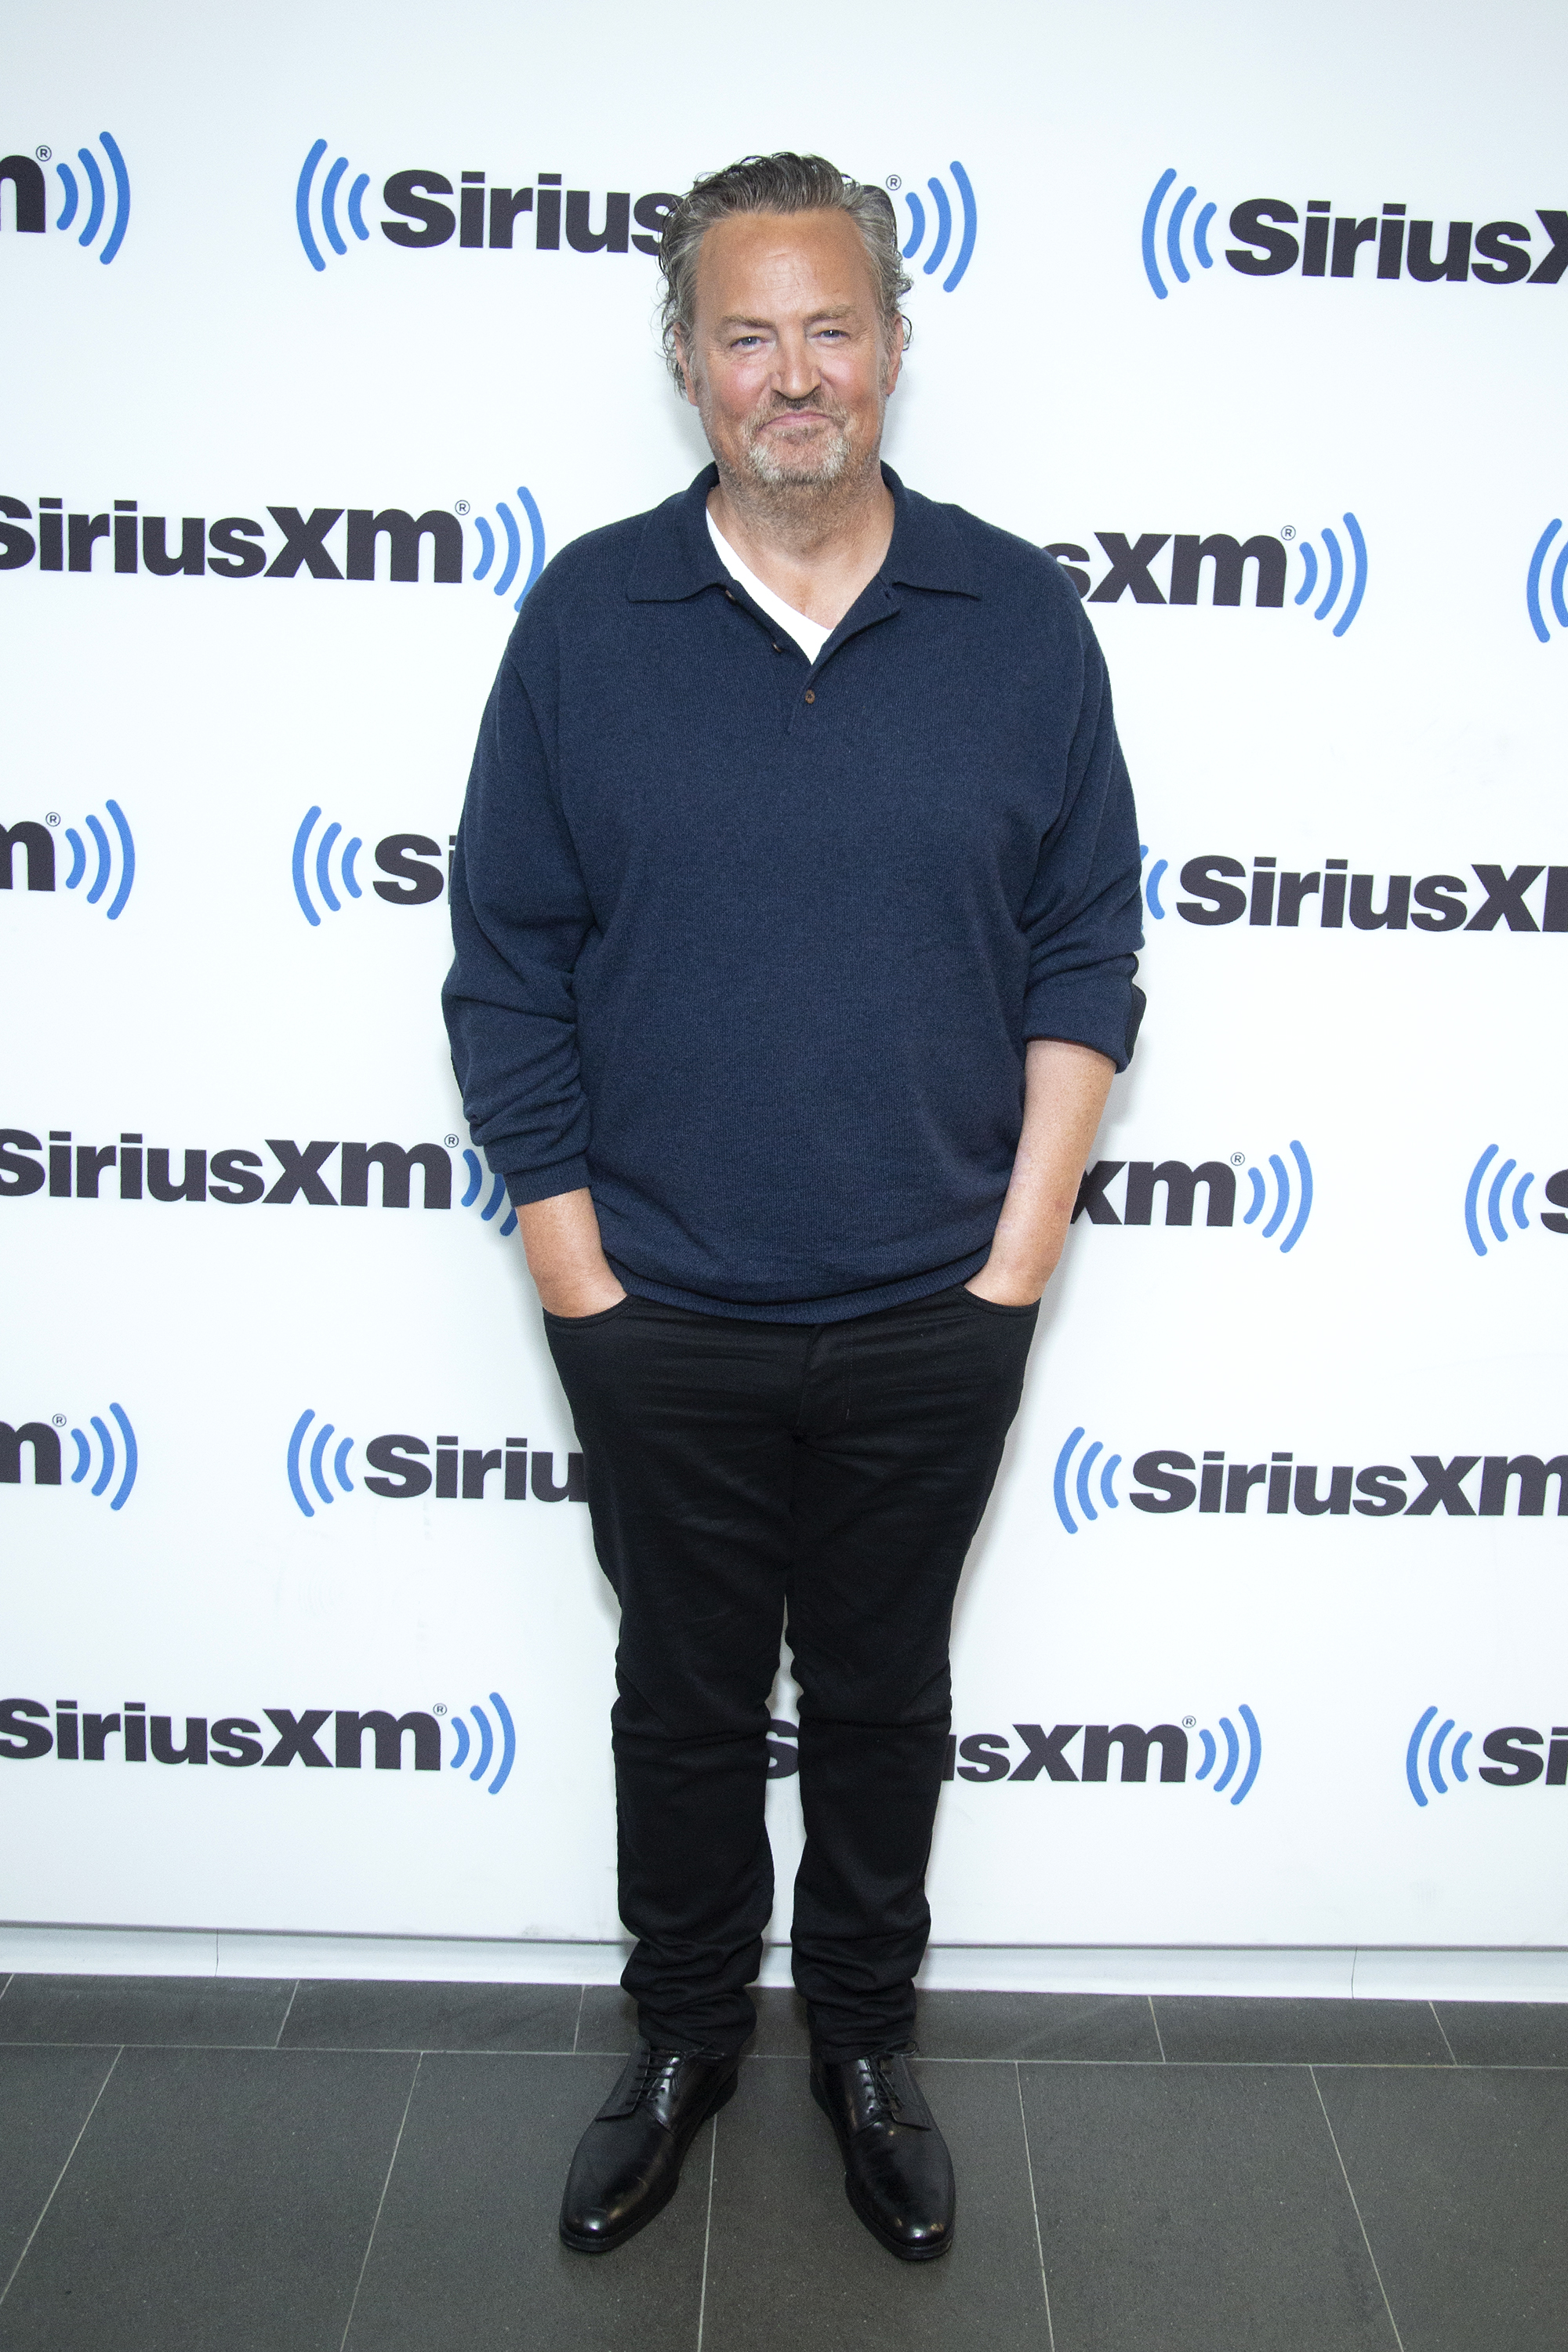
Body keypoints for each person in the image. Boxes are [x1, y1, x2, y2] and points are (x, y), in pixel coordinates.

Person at [443, 151, 1143, 2263]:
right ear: (686, 366)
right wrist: (580, 1280)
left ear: (897, 347)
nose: (792, 372)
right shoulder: (589, 618)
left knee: (879, 1695)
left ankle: (859, 2041)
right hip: (663, 1311)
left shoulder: (1018, 620)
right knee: (676, 1696)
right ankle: (680, 2043)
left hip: (938, 1304)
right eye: (744, 333)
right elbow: (506, 959)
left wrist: (1012, 1271)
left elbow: (1085, 956)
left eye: (829, 325)